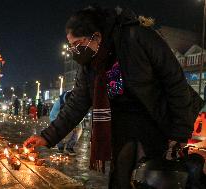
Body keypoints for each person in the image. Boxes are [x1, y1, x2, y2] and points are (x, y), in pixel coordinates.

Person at [24, 6, 203, 188]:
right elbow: (76, 104)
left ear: (97, 36)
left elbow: (175, 83)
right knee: (121, 177)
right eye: (71, 46)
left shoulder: (137, 38)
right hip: (123, 126)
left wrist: (180, 132)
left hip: (156, 120)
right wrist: (47, 137)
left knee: (153, 177)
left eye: (77, 44)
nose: (74, 51)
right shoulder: (89, 65)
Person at [50, 91, 81, 155]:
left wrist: (76, 123)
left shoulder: (76, 101)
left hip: (71, 118)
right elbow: (53, 116)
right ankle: (60, 147)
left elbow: (78, 113)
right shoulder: (58, 103)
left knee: (78, 128)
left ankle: (69, 147)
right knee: (57, 129)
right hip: (57, 118)